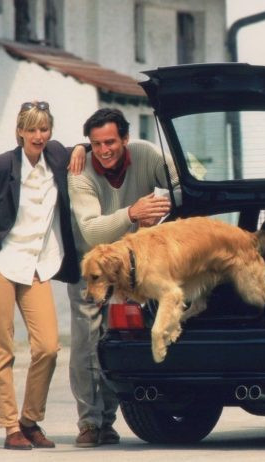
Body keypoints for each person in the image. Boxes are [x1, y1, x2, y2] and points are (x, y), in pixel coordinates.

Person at [0, 101, 84, 450]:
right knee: (3, 346)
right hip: (0, 264)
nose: (39, 135)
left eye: (44, 129)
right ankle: (11, 426)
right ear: (20, 131)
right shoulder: (0, 165)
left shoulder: (55, 155)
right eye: (32, 129)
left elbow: (77, 149)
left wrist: (83, 146)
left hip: (37, 265)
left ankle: (30, 419)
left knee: (48, 347)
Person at [67, 108, 178, 447]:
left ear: (125, 139)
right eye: (96, 143)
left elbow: (182, 183)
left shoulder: (145, 153)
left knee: (117, 340)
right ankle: (89, 423)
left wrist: (162, 214)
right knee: (87, 342)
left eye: (111, 142)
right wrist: (132, 213)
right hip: (93, 266)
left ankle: (109, 422)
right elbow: (90, 229)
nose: (104, 150)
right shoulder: (80, 170)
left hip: (132, 266)